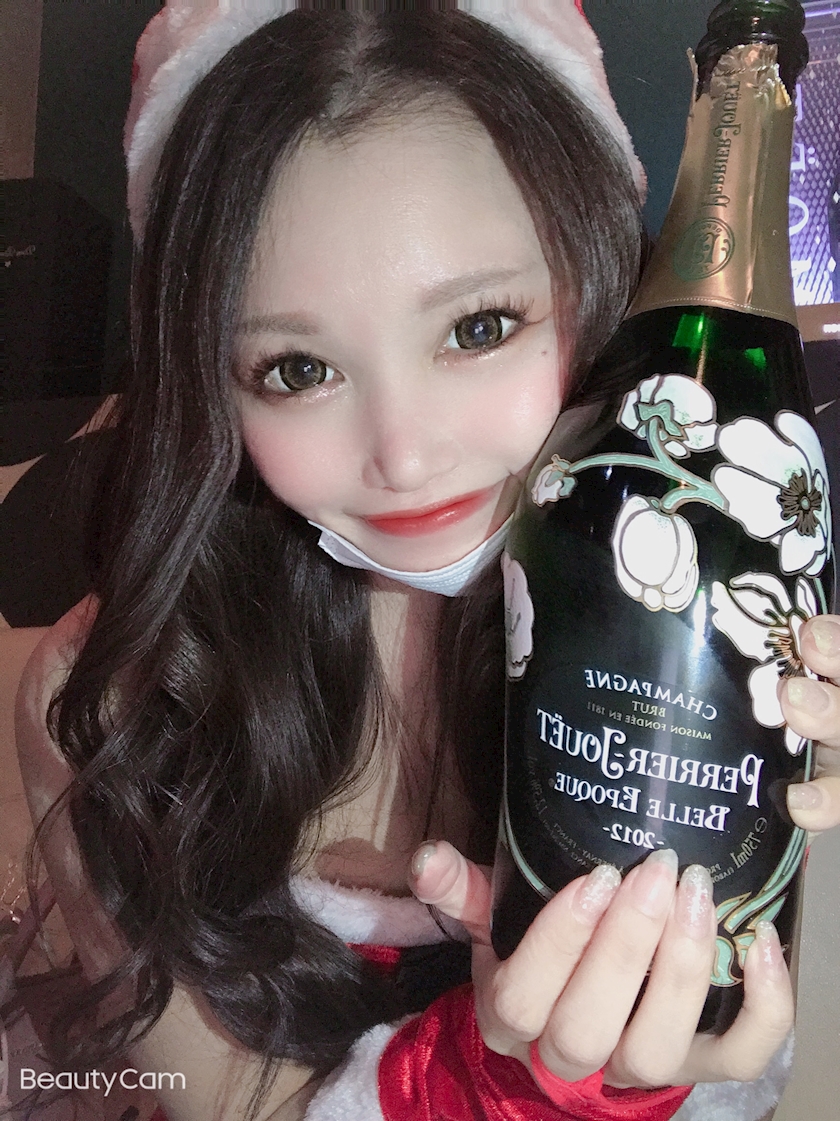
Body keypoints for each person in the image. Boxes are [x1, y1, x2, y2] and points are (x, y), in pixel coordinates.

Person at [14, 4, 840, 1121]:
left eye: (478, 327)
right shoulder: (109, 703)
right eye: (297, 368)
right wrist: (494, 1086)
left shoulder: (722, 627)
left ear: (597, 284)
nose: (403, 456)